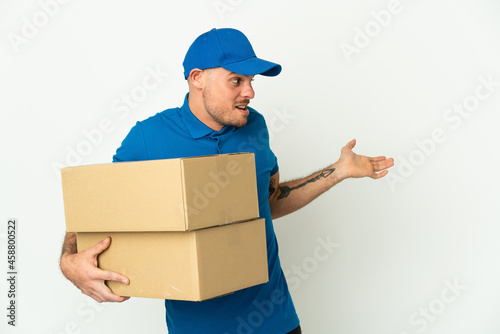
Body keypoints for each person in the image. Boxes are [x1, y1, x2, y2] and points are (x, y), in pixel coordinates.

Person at [60, 28, 394, 334]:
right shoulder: (148, 138)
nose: (249, 91)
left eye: (251, 80)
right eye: (236, 80)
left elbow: (269, 200)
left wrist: (338, 171)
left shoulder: (255, 127)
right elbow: (97, 212)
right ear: (197, 79)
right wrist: (70, 262)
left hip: (277, 321)